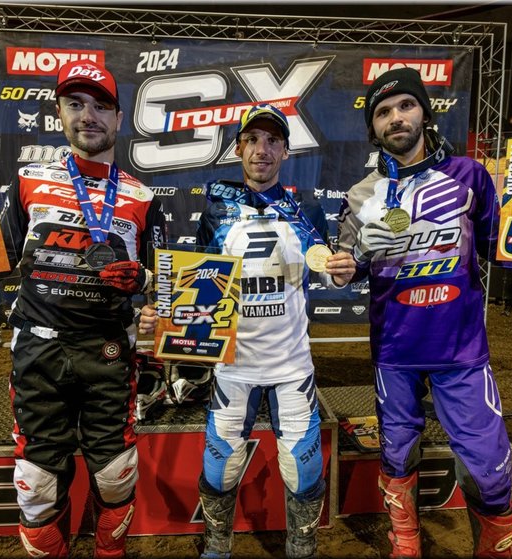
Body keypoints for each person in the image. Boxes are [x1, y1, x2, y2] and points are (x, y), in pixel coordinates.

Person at [336, 67, 512, 559]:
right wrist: (357, 253)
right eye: (382, 113)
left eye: (405, 105)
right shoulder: (361, 194)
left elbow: (507, 246)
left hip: (461, 349)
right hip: (394, 350)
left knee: (489, 468)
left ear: (425, 113)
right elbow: (344, 270)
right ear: (373, 129)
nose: (395, 118)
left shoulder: (470, 175)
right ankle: (405, 542)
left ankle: (494, 546)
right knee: (397, 454)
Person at [139, 104, 356, 559]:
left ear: (286, 151)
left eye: (273, 140)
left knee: (302, 471)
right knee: (220, 470)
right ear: (238, 148)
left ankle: (302, 549)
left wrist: (340, 272)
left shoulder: (306, 211)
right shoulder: (215, 212)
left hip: (292, 367)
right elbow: (196, 285)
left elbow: (329, 270)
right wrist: (167, 317)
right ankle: (217, 547)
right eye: (252, 140)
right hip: (233, 367)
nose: (262, 149)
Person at [0, 59, 167, 558]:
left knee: (116, 475)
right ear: (59, 113)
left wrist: (146, 283)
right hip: (38, 349)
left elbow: (168, 283)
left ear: (119, 119)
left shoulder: (141, 195)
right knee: (36, 484)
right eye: (76, 104)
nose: (88, 116)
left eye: (101, 106)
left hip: (108, 351)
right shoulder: (27, 181)